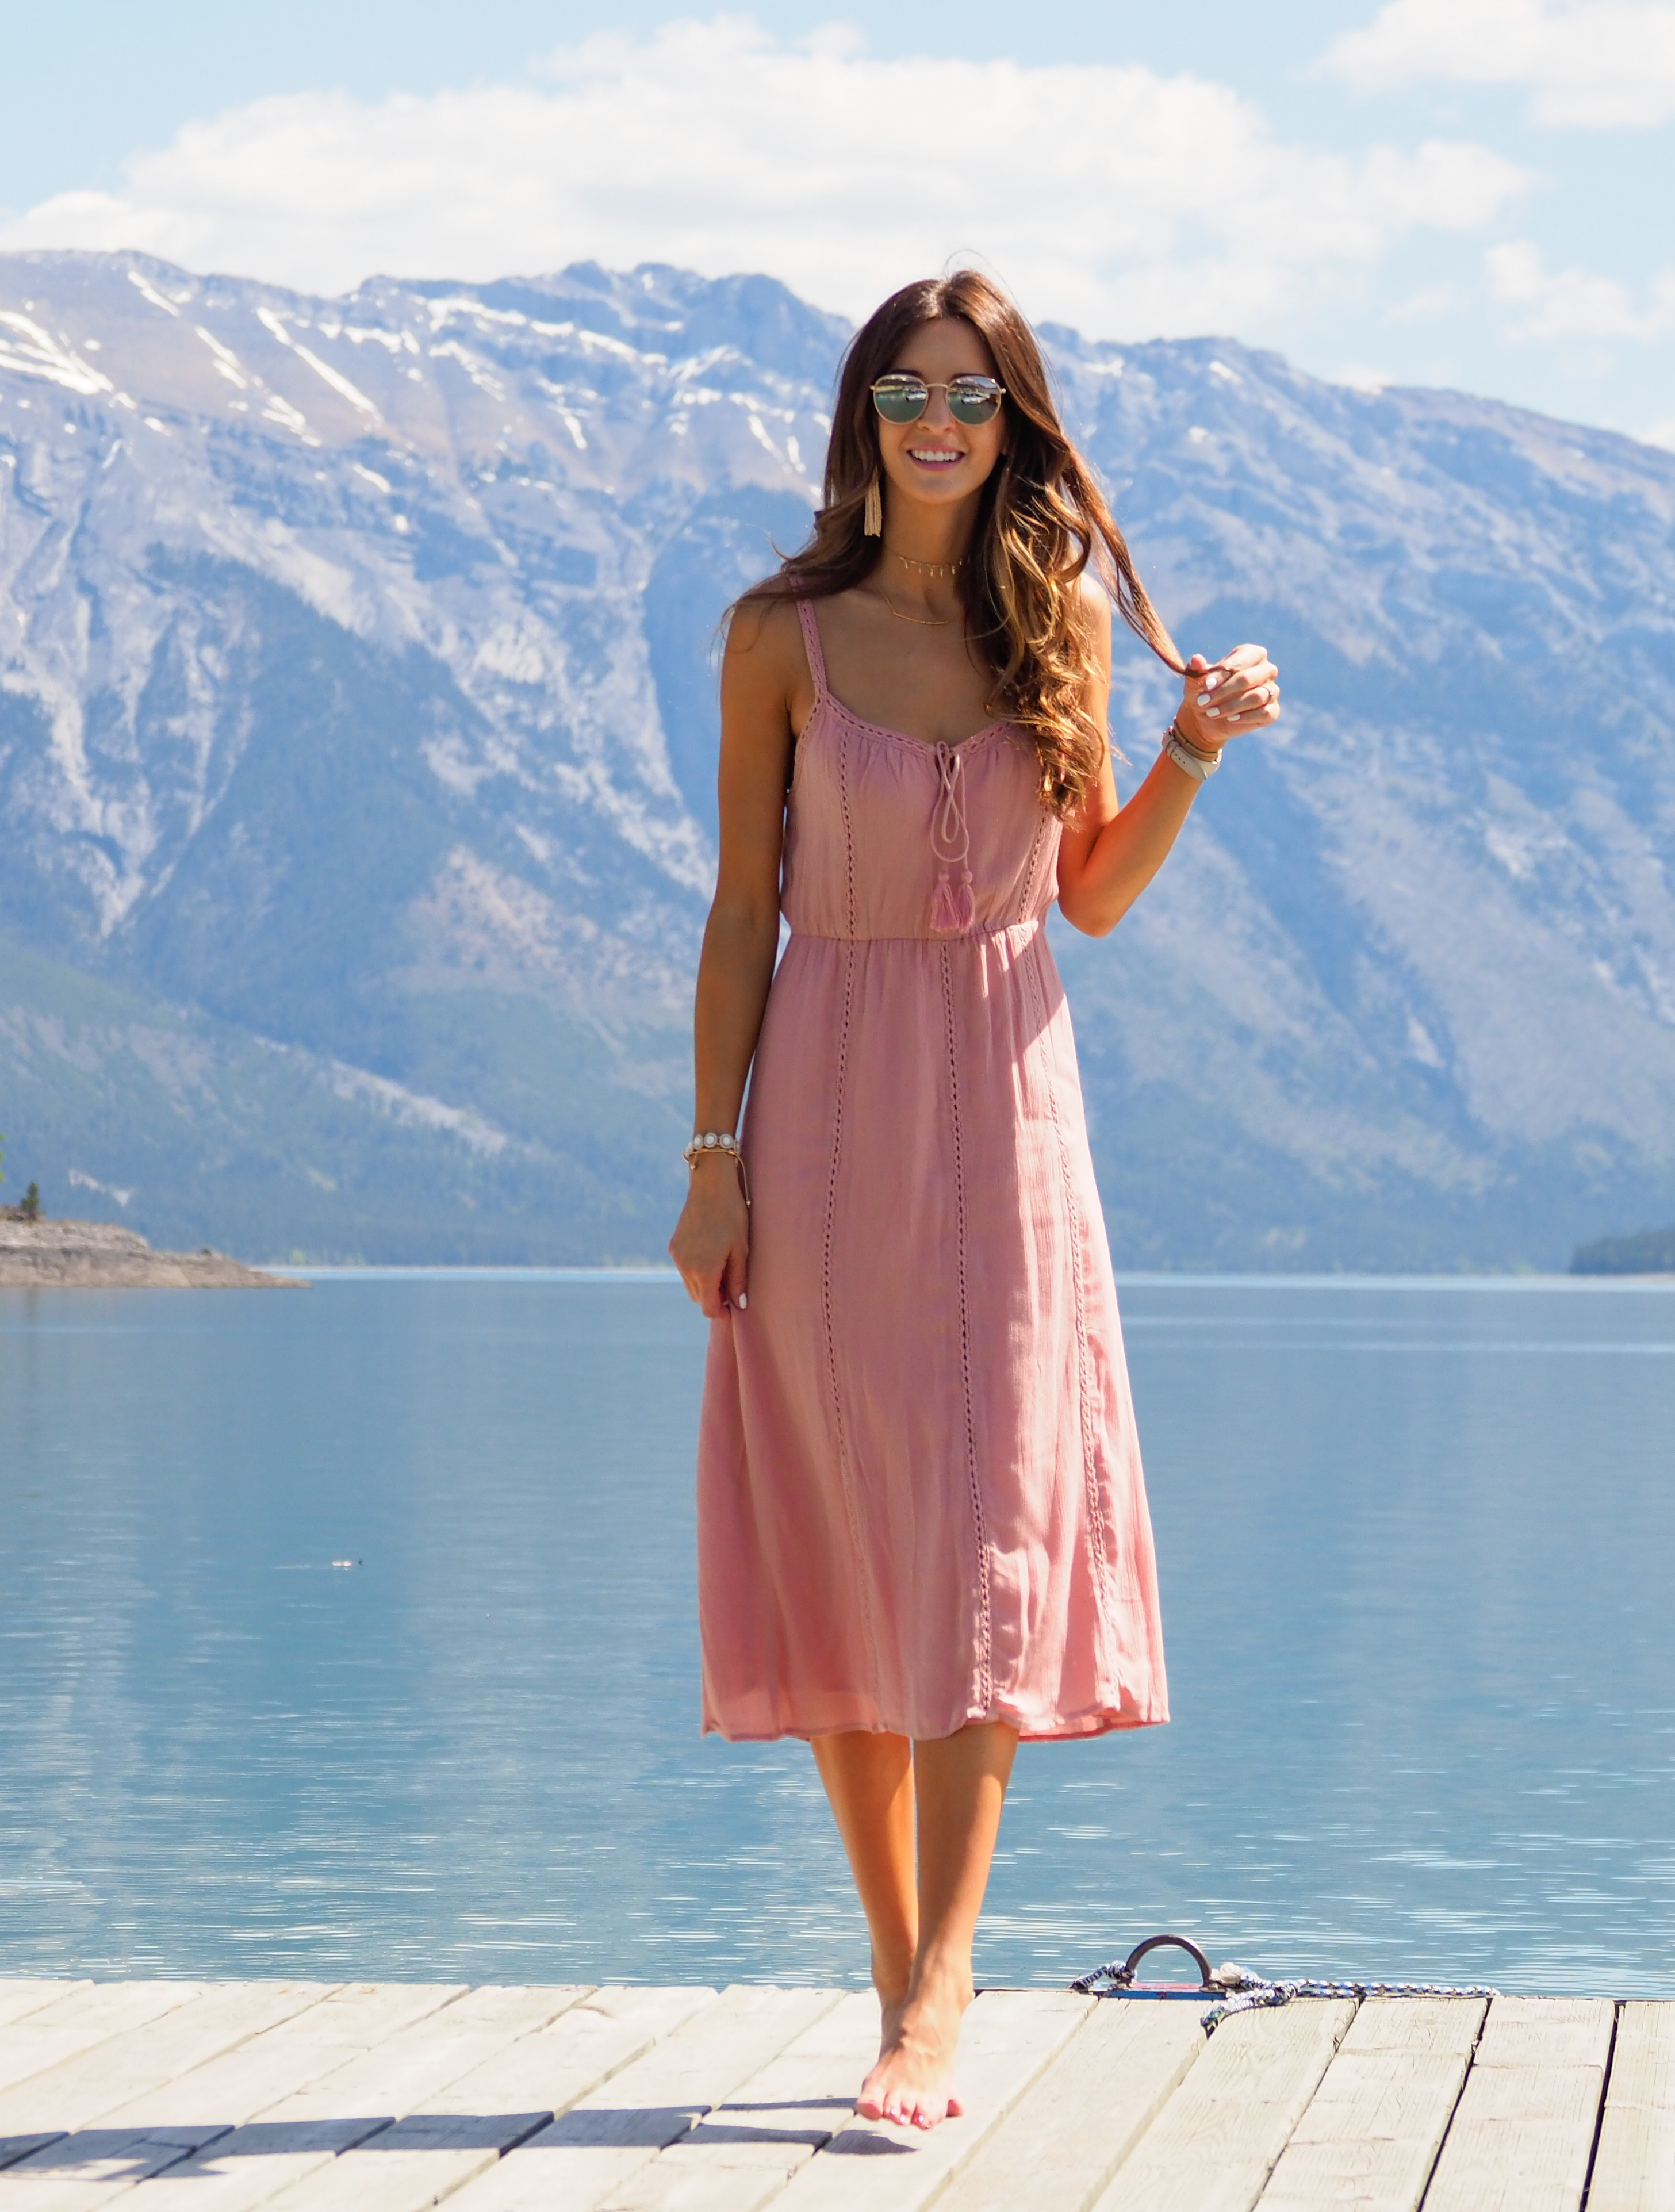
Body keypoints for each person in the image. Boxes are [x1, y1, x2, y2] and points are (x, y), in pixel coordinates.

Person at [667, 271, 1281, 2131]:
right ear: (863, 418)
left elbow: (1087, 897)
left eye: (973, 397)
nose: (938, 424)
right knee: (850, 1533)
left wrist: (1189, 753)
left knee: (990, 1533)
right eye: (906, 393)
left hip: (1011, 1107)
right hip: (825, 1109)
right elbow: (735, 913)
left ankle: (946, 1983)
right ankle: (900, 1973)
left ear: (1014, 423)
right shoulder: (777, 635)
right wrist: (710, 1164)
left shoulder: (1060, 623)